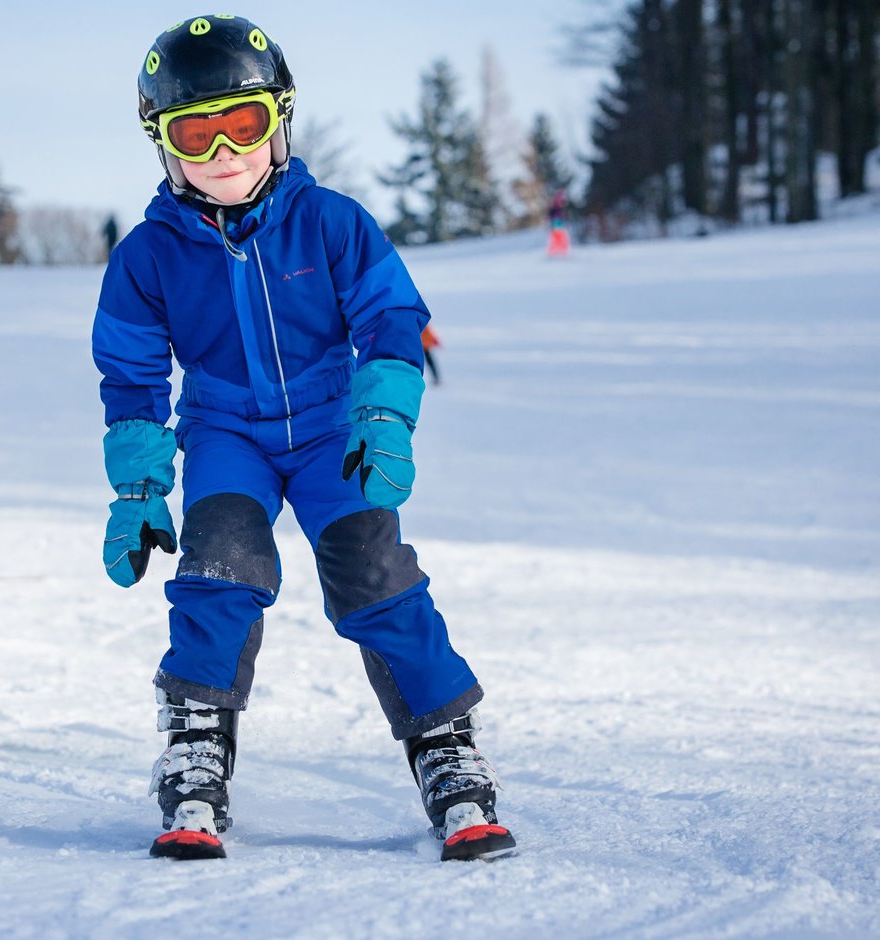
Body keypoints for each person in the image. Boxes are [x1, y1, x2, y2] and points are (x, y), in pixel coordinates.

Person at [93, 14, 515, 863]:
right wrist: (139, 487)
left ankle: (446, 751)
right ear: (162, 142)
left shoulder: (332, 221)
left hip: (331, 433)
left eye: (241, 125)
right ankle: (197, 748)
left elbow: (390, 315)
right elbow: (133, 376)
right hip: (225, 436)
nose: (222, 154)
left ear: (279, 119)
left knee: (376, 575)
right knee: (220, 569)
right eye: (194, 131)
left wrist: (383, 414)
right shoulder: (147, 257)